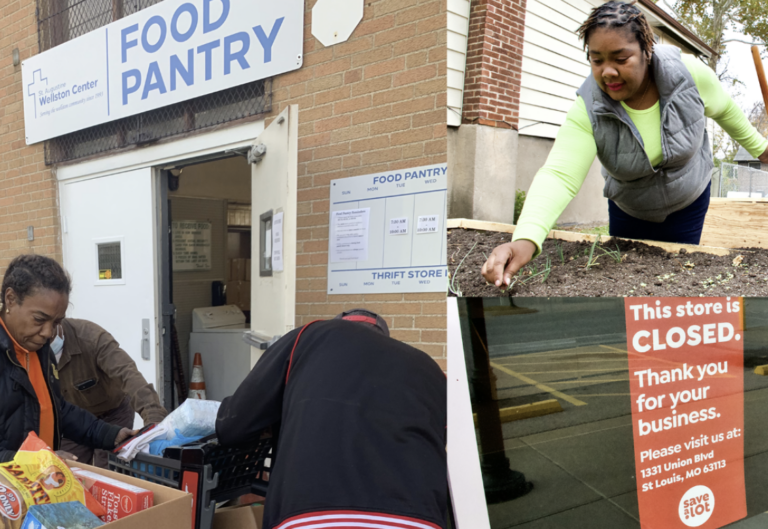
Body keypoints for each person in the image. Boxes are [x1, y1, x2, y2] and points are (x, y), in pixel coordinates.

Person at [481, 1, 768, 288]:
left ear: (647, 50)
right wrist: (525, 238)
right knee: (627, 280)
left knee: (678, 279)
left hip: (687, 199)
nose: (607, 72)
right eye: (597, 60)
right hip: (631, 206)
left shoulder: (689, 76)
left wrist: (763, 151)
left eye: (620, 59)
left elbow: (726, 111)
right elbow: (559, 174)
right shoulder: (589, 108)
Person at [216, 309, 447, 529]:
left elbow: (234, 424)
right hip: (419, 518)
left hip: (313, 516)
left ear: (338, 324)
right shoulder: (429, 367)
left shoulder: (308, 336)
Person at [0, 254, 136, 462]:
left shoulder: (40, 349)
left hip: (43, 484)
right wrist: (36, 461)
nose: (47, 332)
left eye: (56, 323)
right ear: (10, 299)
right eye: (39, 319)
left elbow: (57, 408)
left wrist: (109, 434)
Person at [54, 318, 168, 468]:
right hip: (72, 422)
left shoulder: (91, 337)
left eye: (52, 323)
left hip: (113, 414)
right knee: (67, 470)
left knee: (109, 472)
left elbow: (128, 374)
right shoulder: (28, 348)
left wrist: (153, 417)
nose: (45, 331)